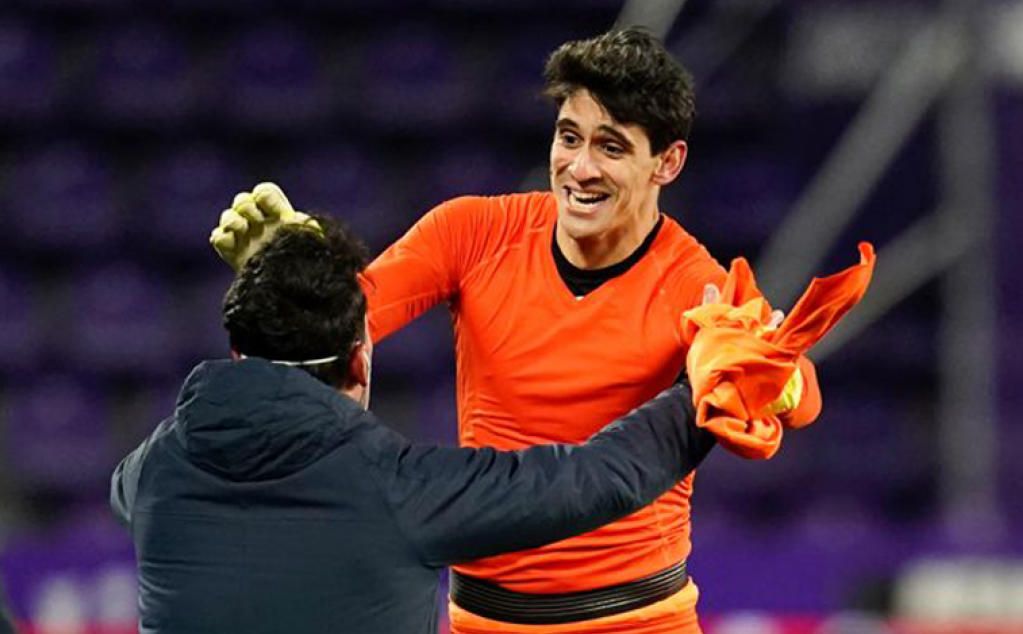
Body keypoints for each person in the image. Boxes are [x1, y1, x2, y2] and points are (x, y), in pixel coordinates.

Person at [211, 28, 822, 633]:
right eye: (569, 137)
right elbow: (341, 324)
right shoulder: (471, 232)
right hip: (484, 620)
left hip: (640, 621)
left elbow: (799, 392)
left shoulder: (698, 286)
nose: (580, 168)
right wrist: (290, 283)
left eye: (611, 147)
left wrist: (776, 379)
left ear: (668, 162)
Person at [110, 216, 772, 634]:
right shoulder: (398, 490)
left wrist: (278, 286)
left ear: (237, 352)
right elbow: (595, 480)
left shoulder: (151, 474)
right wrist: (699, 396)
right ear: (360, 360)